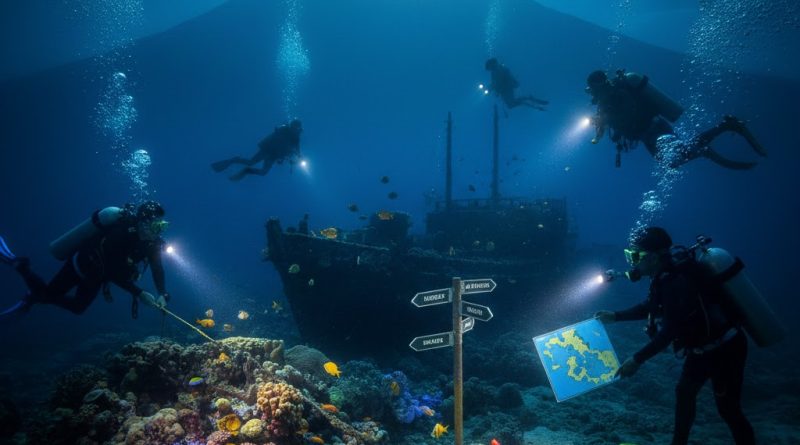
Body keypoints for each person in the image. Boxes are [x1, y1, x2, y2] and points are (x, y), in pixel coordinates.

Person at [595, 227, 755, 445]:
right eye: (628, 255)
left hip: (725, 349)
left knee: (728, 409)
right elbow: (652, 307)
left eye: (635, 256)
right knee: (684, 394)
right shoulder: (665, 277)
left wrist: (636, 360)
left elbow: (670, 331)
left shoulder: (677, 282)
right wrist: (615, 316)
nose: (632, 263)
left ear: (652, 257)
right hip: (701, 349)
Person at [0, 200, 171, 318]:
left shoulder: (152, 243)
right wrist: (138, 293)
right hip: (80, 265)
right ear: (143, 222)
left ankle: (33, 294)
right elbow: (112, 270)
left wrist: (162, 293)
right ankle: (22, 268)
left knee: (77, 307)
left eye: (162, 226)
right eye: (156, 226)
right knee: (48, 295)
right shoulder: (121, 234)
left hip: (97, 275)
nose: (159, 232)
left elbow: (157, 268)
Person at [586, 69, 767, 169]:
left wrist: (605, 121)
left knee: (673, 159)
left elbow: (627, 115)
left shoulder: (619, 94)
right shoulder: (605, 103)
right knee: (671, 161)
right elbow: (606, 129)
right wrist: (598, 130)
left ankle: (723, 129)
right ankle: (709, 141)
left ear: (599, 86)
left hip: (655, 130)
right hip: (647, 134)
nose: (593, 94)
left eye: (593, 89)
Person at [212, 119, 303, 181]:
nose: (295, 129)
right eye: (294, 126)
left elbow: (297, 151)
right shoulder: (283, 130)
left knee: (263, 172)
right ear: (291, 125)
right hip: (267, 150)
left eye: (296, 128)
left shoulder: (296, 139)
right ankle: (233, 160)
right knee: (250, 162)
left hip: (273, 155)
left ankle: (246, 171)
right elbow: (278, 137)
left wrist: (298, 157)